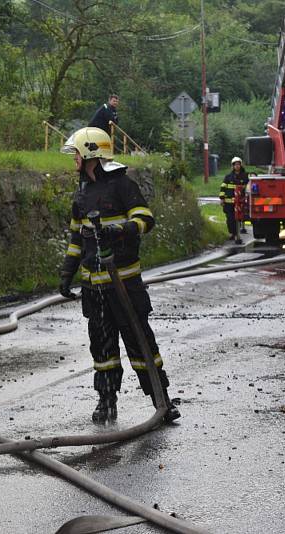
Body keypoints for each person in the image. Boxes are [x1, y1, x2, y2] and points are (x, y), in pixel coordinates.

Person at [58, 127, 180, 424]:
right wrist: (67, 273)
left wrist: (121, 230)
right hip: (94, 288)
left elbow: (145, 219)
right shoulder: (81, 193)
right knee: (102, 349)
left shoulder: (122, 185)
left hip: (125, 284)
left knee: (141, 344)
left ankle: (161, 401)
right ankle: (106, 401)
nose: (73, 158)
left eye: (76, 152)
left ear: (90, 153)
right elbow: (76, 238)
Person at [219, 156, 249, 242]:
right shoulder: (228, 177)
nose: (237, 166)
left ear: (241, 165)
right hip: (229, 203)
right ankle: (232, 233)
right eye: (235, 164)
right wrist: (222, 198)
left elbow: (248, 187)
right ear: (232, 166)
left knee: (238, 219)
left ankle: (236, 234)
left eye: (238, 164)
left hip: (240, 202)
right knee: (230, 219)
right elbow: (223, 188)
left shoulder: (245, 176)